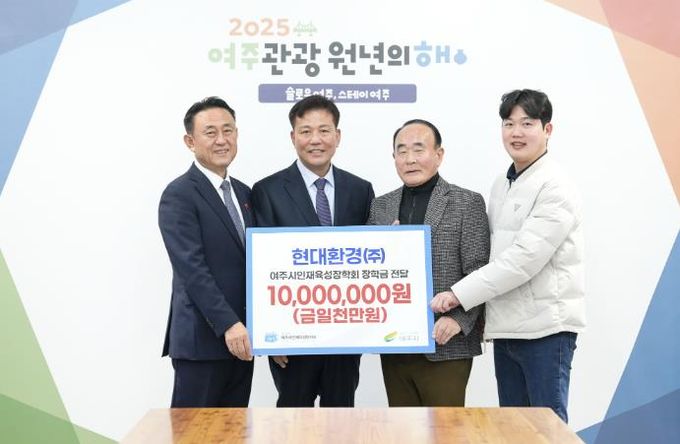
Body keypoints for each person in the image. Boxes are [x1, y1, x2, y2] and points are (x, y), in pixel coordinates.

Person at [430, 89, 586, 422]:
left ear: (547, 129)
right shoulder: (502, 183)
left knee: (548, 429)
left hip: (545, 331)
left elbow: (522, 261)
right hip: (507, 329)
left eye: (527, 123)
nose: (516, 132)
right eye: (509, 123)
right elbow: (490, 253)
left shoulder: (555, 186)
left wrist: (458, 294)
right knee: (515, 428)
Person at [251, 94, 374, 407]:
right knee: (292, 422)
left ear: (337, 136)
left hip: (345, 338)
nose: (315, 140)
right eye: (305, 131)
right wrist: (270, 335)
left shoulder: (360, 190)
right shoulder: (267, 191)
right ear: (293, 137)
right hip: (291, 340)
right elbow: (261, 269)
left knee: (341, 420)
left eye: (324, 130)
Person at [368, 119, 490, 406]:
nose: (410, 159)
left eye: (418, 149)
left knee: (444, 428)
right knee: (403, 428)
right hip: (395, 344)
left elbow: (480, 272)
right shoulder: (381, 206)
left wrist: (458, 319)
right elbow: (367, 272)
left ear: (439, 154)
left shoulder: (466, 202)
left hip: (446, 342)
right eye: (401, 151)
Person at [158, 96, 254, 407]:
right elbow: (192, 270)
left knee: (234, 429)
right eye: (210, 132)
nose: (222, 140)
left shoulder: (244, 193)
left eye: (228, 130)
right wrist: (229, 324)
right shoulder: (179, 194)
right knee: (192, 431)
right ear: (190, 141)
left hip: (243, 343)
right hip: (202, 343)